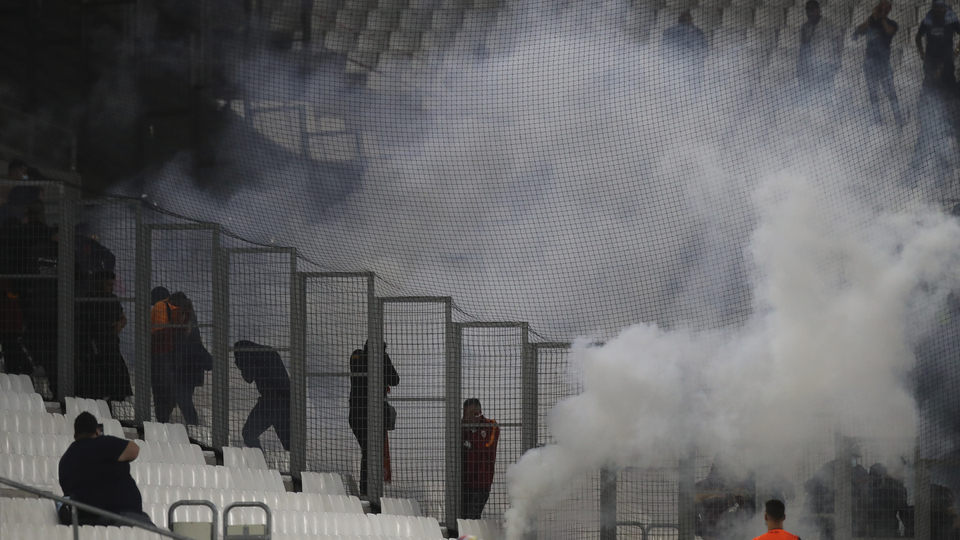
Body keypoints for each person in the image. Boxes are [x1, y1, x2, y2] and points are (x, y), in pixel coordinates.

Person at [58, 412, 152, 526]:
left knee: (145, 517)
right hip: (114, 516)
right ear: (97, 431)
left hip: (87, 519)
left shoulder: (65, 460)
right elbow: (134, 450)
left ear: (75, 434)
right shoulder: (102, 443)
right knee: (155, 531)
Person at [349, 340, 400, 496]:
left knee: (374, 452)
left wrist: (384, 359)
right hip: (360, 414)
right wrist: (377, 360)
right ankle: (366, 490)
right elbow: (360, 371)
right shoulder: (357, 356)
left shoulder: (382, 361)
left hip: (377, 417)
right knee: (369, 451)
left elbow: (395, 380)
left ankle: (372, 489)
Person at [75, 270, 132, 403]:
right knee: (95, 386)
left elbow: (123, 318)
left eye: (112, 285)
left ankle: (112, 409)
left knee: (118, 382)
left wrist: (120, 324)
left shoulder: (113, 300)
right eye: (108, 284)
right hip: (92, 348)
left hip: (111, 347)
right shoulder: (87, 300)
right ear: (99, 283)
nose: (111, 288)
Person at [234, 340, 291, 451]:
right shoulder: (268, 352)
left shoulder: (249, 355)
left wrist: (239, 362)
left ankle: (259, 460)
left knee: (249, 433)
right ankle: (297, 462)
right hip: (286, 400)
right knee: (289, 442)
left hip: (270, 401)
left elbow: (248, 378)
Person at [853, 1, 904, 126]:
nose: (881, 10)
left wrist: (882, 19)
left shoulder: (892, 24)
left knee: (891, 93)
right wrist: (870, 19)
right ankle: (877, 121)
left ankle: (899, 120)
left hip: (883, 63)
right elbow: (857, 33)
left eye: (884, 8)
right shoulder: (871, 22)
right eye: (880, 7)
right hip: (870, 62)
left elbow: (889, 31)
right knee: (873, 94)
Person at [798, 0, 844, 103]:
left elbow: (838, 45)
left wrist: (836, 62)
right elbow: (803, 47)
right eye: (808, 10)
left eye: (812, 10)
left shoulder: (829, 25)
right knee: (807, 97)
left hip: (825, 64)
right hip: (808, 67)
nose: (809, 13)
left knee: (825, 95)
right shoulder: (805, 27)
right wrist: (800, 67)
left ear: (818, 10)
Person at [461, 398, 500, 520]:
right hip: (462, 483)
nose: (471, 417)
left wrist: (473, 432)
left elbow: (487, 446)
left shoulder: (490, 425)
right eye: (468, 414)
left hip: (481, 483)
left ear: (480, 412)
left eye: (474, 413)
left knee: (472, 517)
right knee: (460, 518)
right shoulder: (460, 426)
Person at [660, 10, 709, 91]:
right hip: (693, 69)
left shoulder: (669, 31)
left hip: (673, 69)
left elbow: (662, 50)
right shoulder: (698, 32)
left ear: (679, 19)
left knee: (672, 90)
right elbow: (705, 52)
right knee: (694, 91)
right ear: (691, 20)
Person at [916, 1, 960, 90]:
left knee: (949, 84)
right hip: (931, 57)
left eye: (941, 7)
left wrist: (957, 51)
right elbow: (918, 37)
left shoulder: (951, 20)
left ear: (944, 8)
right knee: (929, 83)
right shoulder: (928, 20)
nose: (938, 10)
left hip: (947, 58)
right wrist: (921, 53)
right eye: (936, 7)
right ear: (933, 7)